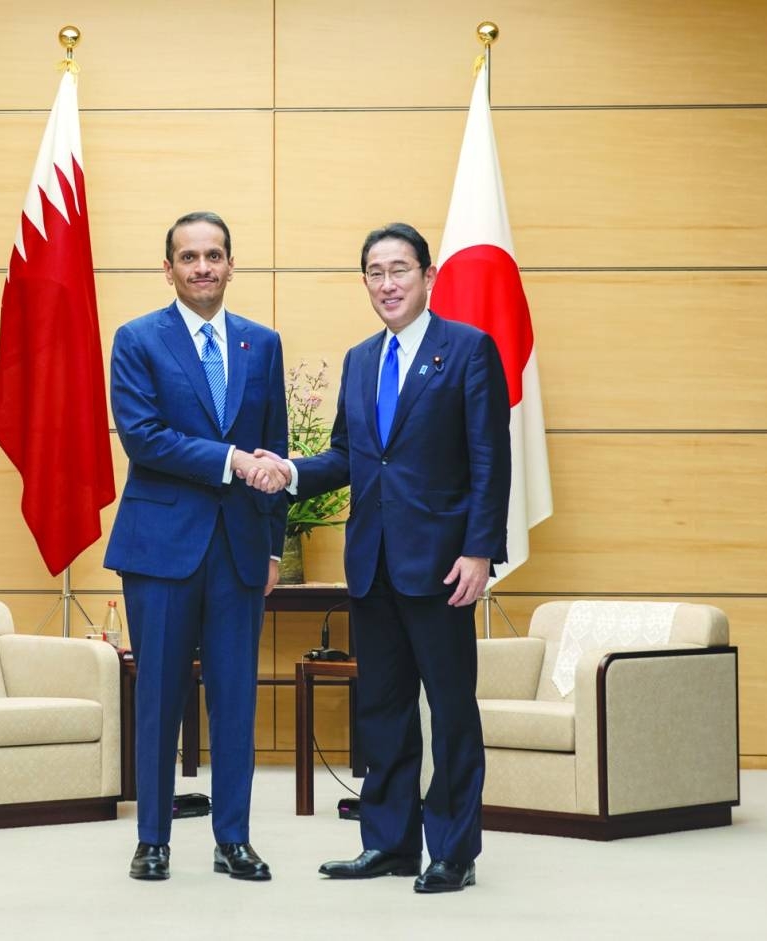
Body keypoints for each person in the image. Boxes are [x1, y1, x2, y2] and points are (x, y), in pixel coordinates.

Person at [250, 222, 510, 893]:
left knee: (450, 710)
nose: (388, 283)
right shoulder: (362, 359)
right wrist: (292, 472)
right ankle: (390, 842)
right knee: (384, 710)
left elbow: (490, 458)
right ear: (365, 281)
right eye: (375, 271)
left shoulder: (469, 350)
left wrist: (480, 550)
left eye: (400, 269)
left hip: (443, 563)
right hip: (372, 563)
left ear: (428, 275)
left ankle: (453, 849)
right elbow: (347, 454)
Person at [105, 210, 289, 882]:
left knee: (236, 696)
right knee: (158, 693)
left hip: (240, 550)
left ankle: (232, 837)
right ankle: (152, 838)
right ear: (169, 268)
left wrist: (272, 547)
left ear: (231, 264)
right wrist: (232, 459)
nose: (203, 267)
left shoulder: (262, 345)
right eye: (189, 257)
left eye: (214, 255)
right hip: (160, 549)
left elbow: (278, 451)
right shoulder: (137, 339)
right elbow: (144, 438)